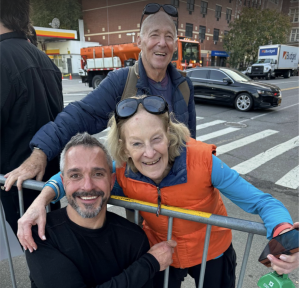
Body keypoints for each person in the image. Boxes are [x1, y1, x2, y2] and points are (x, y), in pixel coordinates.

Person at [18, 96, 298, 288]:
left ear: (170, 135)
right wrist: (42, 199)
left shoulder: (203, 162)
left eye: (156, 139)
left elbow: (263, 202)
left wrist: (285, 235)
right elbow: (76, 176)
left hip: (210, 251)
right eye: (137, 143)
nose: (149, 153)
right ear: (124, 148)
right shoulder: (121, 171)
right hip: (161, 253)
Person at [3, 4, 196, 200]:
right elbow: (78, 115)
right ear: (140, 40)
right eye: (154, 35)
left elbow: (191, 143)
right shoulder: (121, 81)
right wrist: (40, 152)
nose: (162, 43)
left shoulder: (184, 85)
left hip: (178, 198)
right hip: (141, 201)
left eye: (169, 36)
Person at [25, 133, 176, 288]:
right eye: (75, 175)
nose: (88, 186)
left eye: (98, 174)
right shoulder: (41, 233)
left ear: (111, 181)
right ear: (64, 181)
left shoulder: (134, 239)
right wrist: (148, 264)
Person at [0, 0, 63, 235]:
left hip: (18, 183)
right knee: (50, 246)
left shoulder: (2, 58)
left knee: (38, 253)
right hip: (49, 182)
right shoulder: (44, 59)